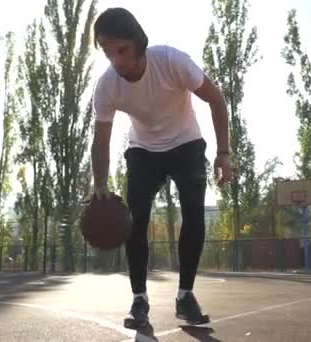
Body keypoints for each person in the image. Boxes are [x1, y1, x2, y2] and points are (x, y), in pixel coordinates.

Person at [90, 8, 232, 327]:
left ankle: (185, 296)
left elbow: (217, 100)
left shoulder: (171, 62)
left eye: (122, 50)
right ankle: (139, 300)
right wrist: (99, 182)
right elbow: (101, 140)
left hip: (186, 142)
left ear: (139, 42)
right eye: (108, 53)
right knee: (136, 220)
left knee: (194, 211)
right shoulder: (108, 85)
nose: (117, 60)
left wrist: (224, 153)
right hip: (143, 149)